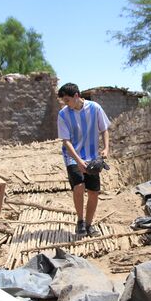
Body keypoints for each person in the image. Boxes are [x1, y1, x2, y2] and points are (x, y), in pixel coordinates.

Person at [57, 83, 110, 237]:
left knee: (94, 192)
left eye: (67, 100)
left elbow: (104, 129)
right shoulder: (63, 114)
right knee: (79, 187)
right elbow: (66, 141)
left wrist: (106, 148)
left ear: (76, 96)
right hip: (72, 156)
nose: (66, 104)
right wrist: (79, 161)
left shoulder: (95, 108)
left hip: (92, 157)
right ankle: (80, 221)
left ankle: (89, 224)